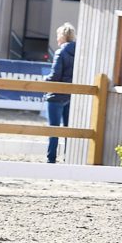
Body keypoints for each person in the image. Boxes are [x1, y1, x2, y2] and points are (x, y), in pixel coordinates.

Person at [43, 23, 76, 163]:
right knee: (68, 129)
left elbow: (55, 75)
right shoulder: (78, 52)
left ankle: (51, 157)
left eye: (58, 36)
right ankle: (68, 156)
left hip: (57, 95)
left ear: (63, 37)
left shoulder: (60, 52)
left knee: (54, 129)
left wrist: (45, 80)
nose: (57, 39)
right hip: (71, 94)